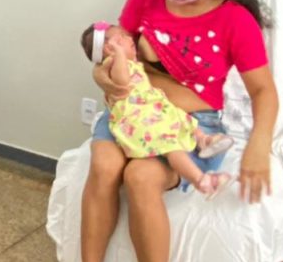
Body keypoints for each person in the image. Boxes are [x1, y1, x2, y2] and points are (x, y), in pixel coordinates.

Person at [80, 0, 279, 262]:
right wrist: (100, 74)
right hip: (132, 110)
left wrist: (258, 148)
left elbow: (264, 91)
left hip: (190, 122)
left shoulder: (235, 20)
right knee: (104, 165)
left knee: (140, 177)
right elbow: (118, 48)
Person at [79, 22, 233, 197]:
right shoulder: (115, 64)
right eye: (122, 38)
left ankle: (203, 139)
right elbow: (122, 81)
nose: (130, 38)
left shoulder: (129, 61)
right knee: (170, 145)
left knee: (182, 119)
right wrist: (119, 54)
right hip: (138, 119)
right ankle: (202, 181)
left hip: (151, 108)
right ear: (110, 48)